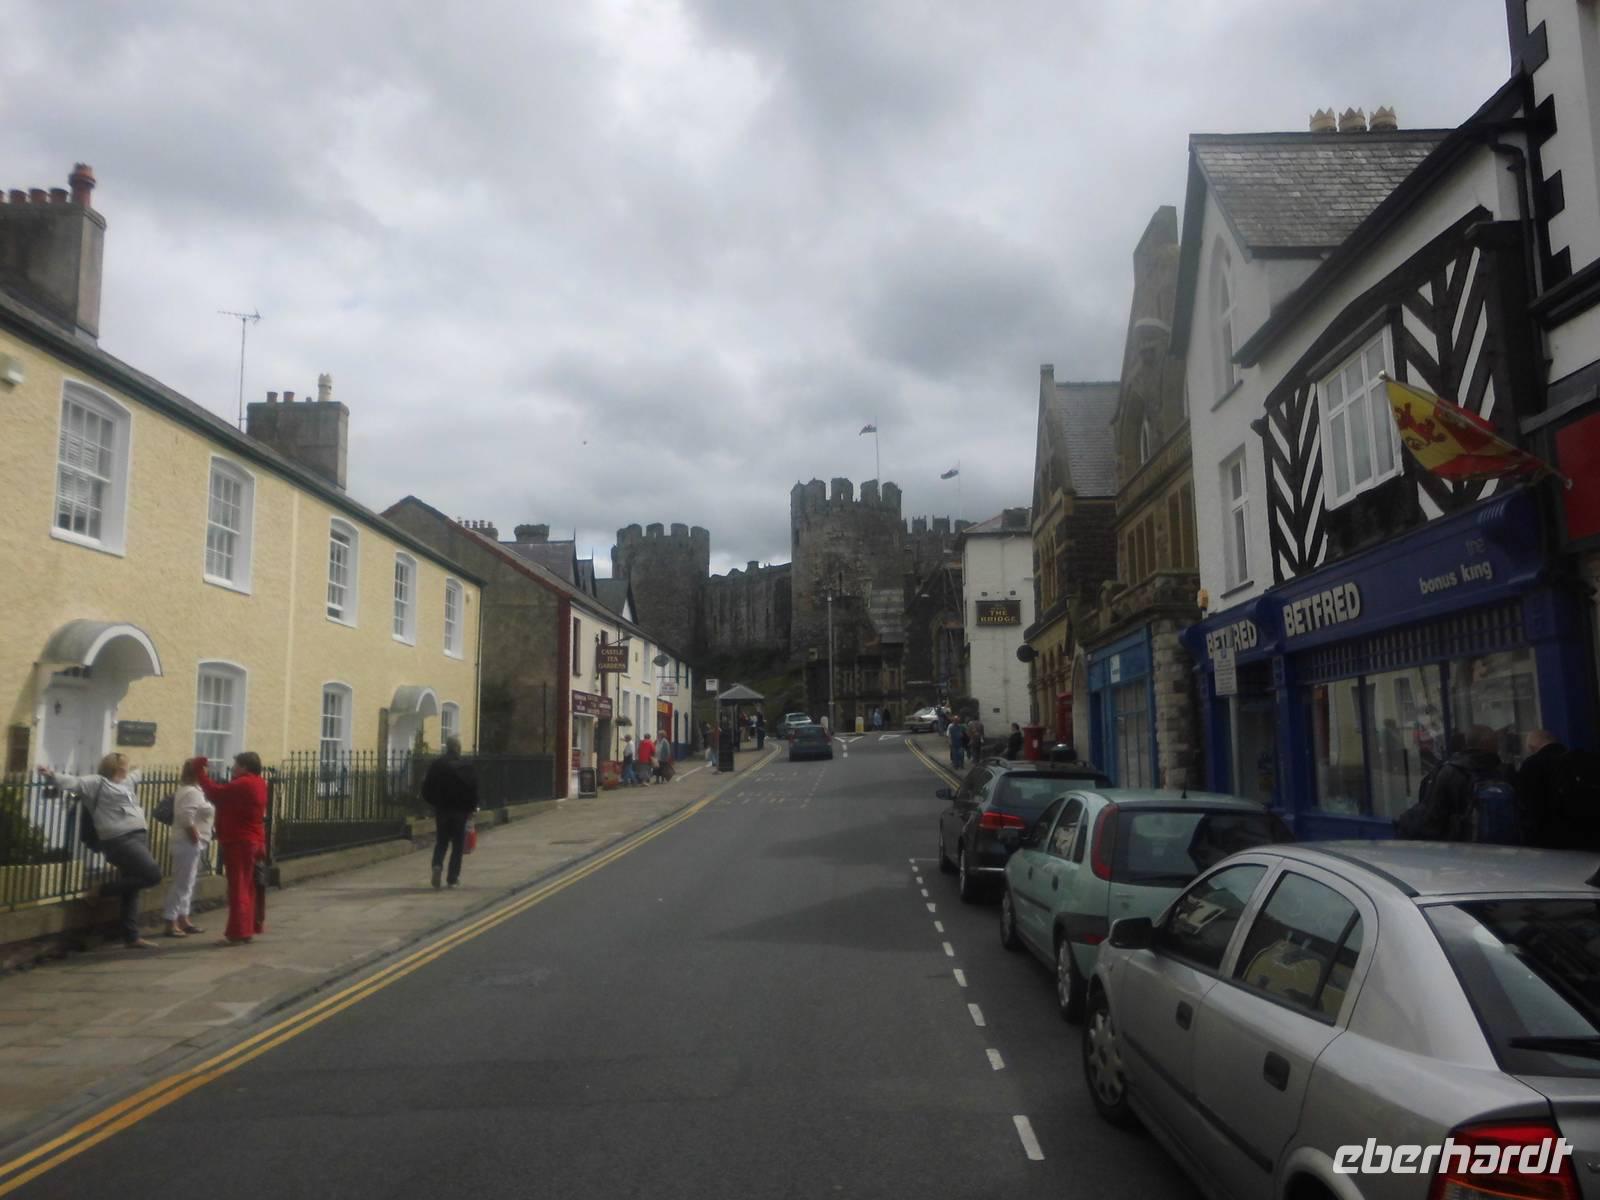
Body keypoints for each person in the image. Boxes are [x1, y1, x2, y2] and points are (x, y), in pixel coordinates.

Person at [39, 753, 163, 950]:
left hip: (138, 837)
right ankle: (100, 891)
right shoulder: (98, 783)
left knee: (131, 889)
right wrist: (51, 775)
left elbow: (137, 774)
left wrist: (142, 765)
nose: (127, 768)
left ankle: (131, 937)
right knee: (153, 874)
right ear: (116, 767)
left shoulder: (126, 783)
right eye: (125, 764)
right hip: (119, 840)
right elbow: (74, 782)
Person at [195, 752, 269, 945]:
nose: (233, 769)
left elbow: (215, 793)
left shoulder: (244, 783)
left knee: (238, 887)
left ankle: (238, 932)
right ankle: (248, 928)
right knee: (248, 886)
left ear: (245, 767)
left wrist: (199, 772)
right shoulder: (259, 782)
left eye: (236, 765)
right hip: (253, 840)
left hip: (240, 841)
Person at [1395, 725, 1516, 842]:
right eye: (1496, 743)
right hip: (1505, 847)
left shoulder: (1449, 771)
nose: (1499, 746)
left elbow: (1434, 817)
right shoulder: (1505, 772)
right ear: (1491, 745)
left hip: (1458, 847)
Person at [162, 760, 213, 938]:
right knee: (181, 883)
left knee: (188, 883)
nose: (207, 773)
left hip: (191, 844)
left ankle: (183, 919)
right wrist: (195, 839)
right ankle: (171, 921)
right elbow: (186, 818)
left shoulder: (195, 790)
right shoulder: (191, 792)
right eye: (204, 770)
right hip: (187, 843)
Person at [422, 737, 478, 888]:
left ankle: (437, 865)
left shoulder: (437, 765)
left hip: (442, 810)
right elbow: (472, 790)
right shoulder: (466, 766)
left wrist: (434, 803)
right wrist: (472, 809)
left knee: (441, 842)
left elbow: (426, 788)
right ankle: (452, 878)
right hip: (460, 811)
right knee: (458, 845)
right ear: (458, 748)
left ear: (447, 748)